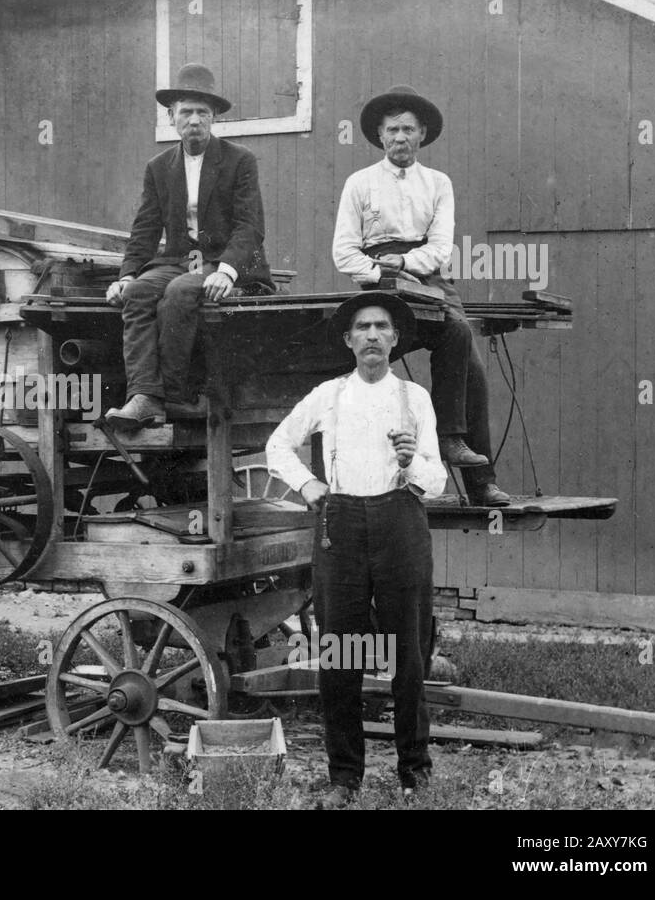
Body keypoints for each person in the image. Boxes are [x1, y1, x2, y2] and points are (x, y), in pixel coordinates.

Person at [266, 292, 445, 809]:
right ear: (348, 340)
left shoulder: (416, 399)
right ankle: (345, 777)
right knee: (338, 654)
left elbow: (435, 482)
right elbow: (279, 445)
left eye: (381, 327)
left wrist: (412, 462)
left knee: (408, 652)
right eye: (362, 327)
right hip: (340, 526)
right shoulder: (328, 395)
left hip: (400, 523)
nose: (371, 335)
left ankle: (415, 771)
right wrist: (307, 486)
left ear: (394, 339)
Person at [332, 85, 510, 506]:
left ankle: (474, 473)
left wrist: (406, 264)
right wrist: (378, 270)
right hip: (376, 278)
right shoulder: (359, 183)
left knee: (465, 349)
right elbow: (344, 250)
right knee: (355, 363)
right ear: (380, 135)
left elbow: (441, 248)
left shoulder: (438, 183)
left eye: (408, 130)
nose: (400, 138)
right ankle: (356, 484)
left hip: (426, 274)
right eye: (392, 130)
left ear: (422, 134)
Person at [103, 63, 270, 430]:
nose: (194, 120)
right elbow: (144, 229)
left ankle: (175, 397)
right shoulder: (159, 167)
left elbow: (250, 225)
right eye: (186, 112)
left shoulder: (239, 160)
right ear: (171, 117)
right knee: (139, 293)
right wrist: (127, 275)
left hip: (225, 262)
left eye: (202, 113)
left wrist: (228, 270)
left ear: (213, 118)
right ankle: (143, 396)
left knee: (179, 293)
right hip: (183, 260)